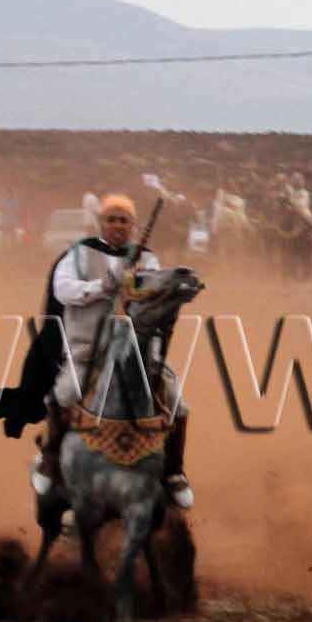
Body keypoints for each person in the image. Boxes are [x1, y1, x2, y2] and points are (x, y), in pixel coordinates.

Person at [13, 195, 192, 509]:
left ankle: (174, 472)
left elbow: (155, 291)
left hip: (136, 353)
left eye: (124, 220)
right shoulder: (79, 254)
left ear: (133, 226)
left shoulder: (147, 258)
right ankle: (51, 459)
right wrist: (102, 286)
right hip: (88, 350)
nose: (118, 226)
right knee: (66, 393)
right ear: (101, 223)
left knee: (177, 400)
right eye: (112, 220)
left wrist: (162, 289)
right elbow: (63, 289)